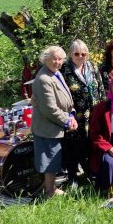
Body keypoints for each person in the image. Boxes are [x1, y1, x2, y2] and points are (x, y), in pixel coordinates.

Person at [31, 45, 77, 198]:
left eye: (60, 59)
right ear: (45, 59)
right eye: (54, 59)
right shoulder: (43, 79)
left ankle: (52, 187)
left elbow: (66, 99)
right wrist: (67, 121)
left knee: (54, 158)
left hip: (58, 123)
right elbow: (49, 109)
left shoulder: (56, 73)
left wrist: (71, 115)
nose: (57, 62)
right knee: (49, 160)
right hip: (47, 126)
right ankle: (49, 191)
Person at [60, 39, 104, 185]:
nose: (80, 56)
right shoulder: (64, 69)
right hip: (74, 115)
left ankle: (90, 173)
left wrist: (104, 109)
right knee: (73, 145)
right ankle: (73, 177)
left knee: (91, 143)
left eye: (83, 53)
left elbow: (100, 89)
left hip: (94, 113)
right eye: (77, 53)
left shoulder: (92, 66)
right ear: (71, 54)